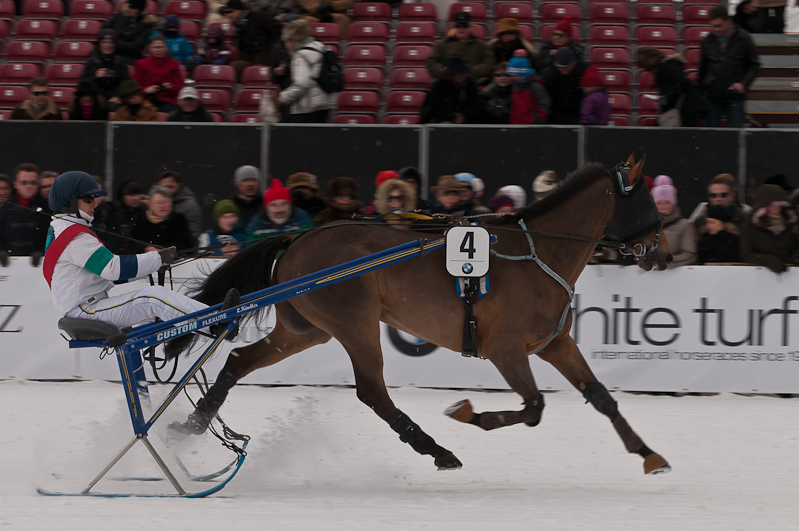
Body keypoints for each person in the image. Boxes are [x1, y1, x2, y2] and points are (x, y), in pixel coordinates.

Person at [45, 171, 235, 348]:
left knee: (159, 313)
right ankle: (215, 323)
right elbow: (113, 268)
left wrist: (153, 263)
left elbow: (112, 276)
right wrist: (158, 258)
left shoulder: (63, 229)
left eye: (94, 198)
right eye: (88, 198)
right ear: (69, 202)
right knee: (153, 298)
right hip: (86, 311)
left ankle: (206, 324)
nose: (94, 203)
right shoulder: (75, 237)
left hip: (87, 307)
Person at [699, 5, 760, 128]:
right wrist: (703, 90)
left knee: (735, 137)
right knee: (711, 137)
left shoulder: (744, 38)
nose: (716, 29)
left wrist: (743, 84)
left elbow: (754, 65)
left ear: (728, 21)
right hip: (712, 97)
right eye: (713, 26)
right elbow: (703, 69)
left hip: (735, 97)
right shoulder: (707, 41)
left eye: (719, 25)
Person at [275, 19, 337, 123]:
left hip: (307, 107)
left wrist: (283, 97)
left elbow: (302, 84)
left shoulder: (301, 55)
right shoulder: (322, 47)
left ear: (293, 39)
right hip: (325, 104)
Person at [637, 47, 707, 128]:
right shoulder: (668, 65)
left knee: (679, 137)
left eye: (648, 69)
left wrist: (668, 96)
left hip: (684, 110)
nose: (650, 72)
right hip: (685, 109)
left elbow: (683, 82)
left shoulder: (668, 66)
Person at [740, 184, 798, 273]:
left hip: (791, 276)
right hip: (761, 276)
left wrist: (794, 258)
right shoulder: (749, 225)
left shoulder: (790, 222)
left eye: (780, 204)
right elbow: (746, 255)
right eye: (774, 204)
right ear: (763, 205)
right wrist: (769, 261)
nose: (778, 208)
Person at [426, 12, 495, 86]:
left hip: (475, 84)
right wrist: (446, 71)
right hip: (448, 84)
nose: (461, 28)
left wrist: (470, 71)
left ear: (470, 28)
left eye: (464, 26)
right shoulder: (442, 44)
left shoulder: (481, 45)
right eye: (458, 25)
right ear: (454, 28)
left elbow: (489, 62)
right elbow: (431, 62)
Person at [0, 163, 51, 263]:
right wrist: (1, 250)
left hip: (41, 264)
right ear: (15, 184)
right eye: (24, 182)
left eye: (33, 182)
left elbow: (54, 235)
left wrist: (43, 251)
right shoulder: (5, 208)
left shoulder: (48, 208)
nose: (29, 186)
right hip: (10, 264)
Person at [221, 0, 283, 80]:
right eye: (226, 12)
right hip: (248, 58)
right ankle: (242, 91)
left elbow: (278, 28)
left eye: (230, 11)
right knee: (233, 67)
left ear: (240, 10)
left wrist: (272, 46)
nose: (228, 15)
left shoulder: (258, 16)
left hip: (265, 57)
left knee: (256, 70)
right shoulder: (238, 26)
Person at [130, 185, 195, 253]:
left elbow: (187, 244)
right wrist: (145, 249)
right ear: (150, 205)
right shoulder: (140, 219)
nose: (163, 206)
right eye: (159, 203)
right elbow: (130, 245)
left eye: (166, 202)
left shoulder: (179, 219)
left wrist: (164, 250)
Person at [420, 54, 482, 124]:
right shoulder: (439, 86)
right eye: (460, 73)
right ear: (451, 75)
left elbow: (476, 106)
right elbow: (430, 109)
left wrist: (465, 118)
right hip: (443, 125)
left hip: (466, 126)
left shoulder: (470, 83)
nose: (464, 75)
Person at [650, 175, 697, 267]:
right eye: (659, 203)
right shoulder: (646, 226)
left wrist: (667, 260)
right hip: (646, 277)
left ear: (674, 203)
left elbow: (691, 255)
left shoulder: (685, 225)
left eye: (667, 202)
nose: (663, 206)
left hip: (674, 278)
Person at [247, 179, 314, 241]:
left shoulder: (303, 221)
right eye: (274, 205)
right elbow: (253, 251)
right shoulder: (255, 227)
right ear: (266, 208)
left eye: (284, 204)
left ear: (290, 205)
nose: (279, 210)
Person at [134, 36, 185, 114]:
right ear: (150, 48)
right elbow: (135, 87)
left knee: (171, 112)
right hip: (147, 100)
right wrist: (145, 90)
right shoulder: (141, 64)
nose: (158, 50)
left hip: (167, 100)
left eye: (161, 47)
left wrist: (171, 87)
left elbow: (179, 86)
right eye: (155, 47)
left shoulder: (174, 64)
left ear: (166, 48)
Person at [80, 29, 130, 108]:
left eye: (111, 42)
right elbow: (83, 83)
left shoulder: (120, 62)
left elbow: (125, 82)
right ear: (99, 44)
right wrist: (95, 77)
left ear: (115, 44)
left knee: (115, 106)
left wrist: (118, 96)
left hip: (115, 98)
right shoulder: (92, 61)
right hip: (95, 98)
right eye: (104, 42)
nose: (108, 45)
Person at [101, 0, 158, 65]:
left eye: (132, 8)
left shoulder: (145, 24)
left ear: (139, 10)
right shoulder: (120, 15)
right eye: (128, 6)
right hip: (110, 52)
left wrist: (114, 43)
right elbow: (104, 29)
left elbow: (136, 46)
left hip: (129, 57)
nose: (128, 9)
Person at [542, 47, 587, 125]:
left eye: (566, 67)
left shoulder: (583, 70)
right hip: (555, 114)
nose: (563, 70)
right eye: (560, 67)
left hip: (578, 112)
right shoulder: (548, 74)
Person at [505, 50, 550, 124]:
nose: (512, 78)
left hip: (530, 125)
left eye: (514, 75)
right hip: (515, 123)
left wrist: (540, 118)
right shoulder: (514, 85)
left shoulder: (535, 86)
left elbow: (545, 103)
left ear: (522, 73)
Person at [156, 171, 203, 239]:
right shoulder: (154, 202)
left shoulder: (190, 206)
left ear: (179, 185)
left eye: (170, 186)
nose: (166, 190)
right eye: (162, 187)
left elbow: (193, 236)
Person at [105, 179, 147, 254]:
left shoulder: (144, 213)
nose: (136, 198)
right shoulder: (112, 213)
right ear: (122, 197)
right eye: (131, 195)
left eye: (138, 194)